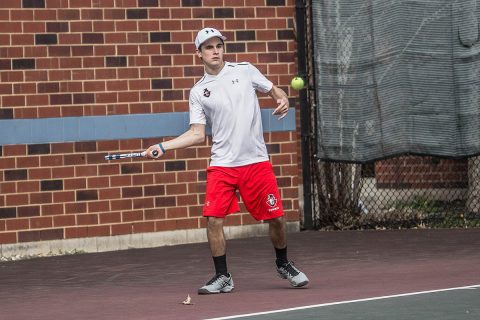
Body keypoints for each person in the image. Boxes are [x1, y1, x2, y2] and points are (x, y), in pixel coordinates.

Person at [145, 27, 309, 294]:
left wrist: (282, 98)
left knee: (277, 218)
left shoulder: (245, 70)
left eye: (218, 45)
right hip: (222, 164)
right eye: (208, 47)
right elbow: (197, 134)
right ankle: (222, 276)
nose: (215, 51)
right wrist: (164, 146)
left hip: (256, 161)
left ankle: (283, 263)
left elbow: (275, 91)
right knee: (213, 219)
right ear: (198, 53)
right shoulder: (198, 92)